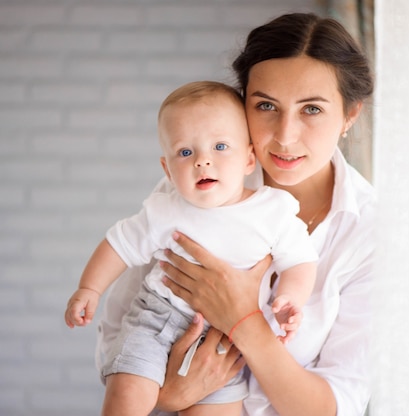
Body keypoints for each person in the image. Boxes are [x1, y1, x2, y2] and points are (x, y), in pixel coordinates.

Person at [97, 12, 375, 416]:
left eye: (311, 109)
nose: (284, 135)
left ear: (350, 115)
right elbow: (118, 337)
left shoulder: (368, 233)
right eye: (265, 105)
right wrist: (172, 395)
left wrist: (244, 318)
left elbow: (332, 407)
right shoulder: (196, 189)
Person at [65, 81, 318, 416]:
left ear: (248, 159)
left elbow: (301, 260)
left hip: (224, 340)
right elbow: (119, 244)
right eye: (186, 152)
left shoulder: (273, 211)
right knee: (126, 396)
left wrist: (289, 298)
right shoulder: (166, 209)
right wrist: (90, 288)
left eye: (220, 147)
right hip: (155, 322)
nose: (203, 161)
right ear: (168, 170)